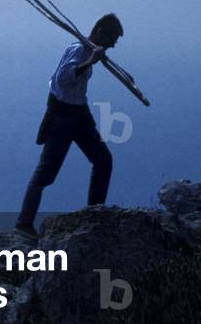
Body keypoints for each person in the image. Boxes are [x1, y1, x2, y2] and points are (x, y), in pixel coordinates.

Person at [14, 13, 123, 241]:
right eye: (111, 39)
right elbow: (62, 79)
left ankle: (94, 214)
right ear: (100, 32)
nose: (112, 45)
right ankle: (24, 223)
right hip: (63, 118)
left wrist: (94, 59)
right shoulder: (78, 50)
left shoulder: (88, 50)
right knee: (45, 174)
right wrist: (90, 62)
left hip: (80, 116)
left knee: (103, 160)